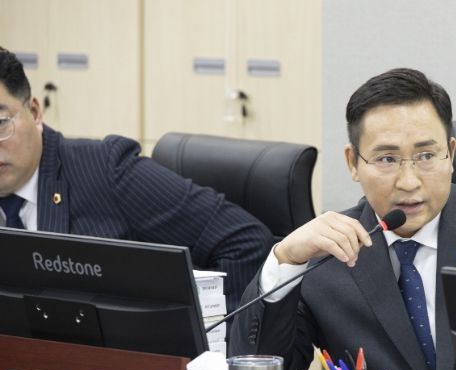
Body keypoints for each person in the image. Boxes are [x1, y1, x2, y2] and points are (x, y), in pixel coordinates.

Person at [229, 68, 456, 370]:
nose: (409, 182)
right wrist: (285, 261)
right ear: (353, 163)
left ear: (450, 154)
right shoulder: (325, 255)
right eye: (387, 159)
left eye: (426, 156)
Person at [0, 46, 273, 313]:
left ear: (34, 112)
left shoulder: (105, 170)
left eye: (1, 123)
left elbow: (245, 242)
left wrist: (203, 333)